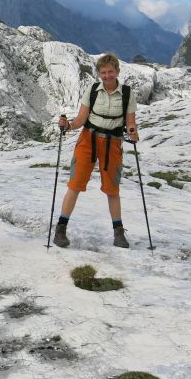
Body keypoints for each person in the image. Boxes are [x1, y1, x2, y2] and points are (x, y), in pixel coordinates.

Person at [53, 53, 138, 249]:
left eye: (110, 72)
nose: (107, 76)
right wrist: (67, 126)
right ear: (99, 74)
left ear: (117, 71)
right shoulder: (92, 90)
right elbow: (81, 119)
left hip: (113, 143)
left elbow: (131, 123)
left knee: (112, 189)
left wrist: (133, 134)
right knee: (75, 184)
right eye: (103, 73)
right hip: (88, 140)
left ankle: (118, 233)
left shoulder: (127, 93)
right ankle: (61, 229)